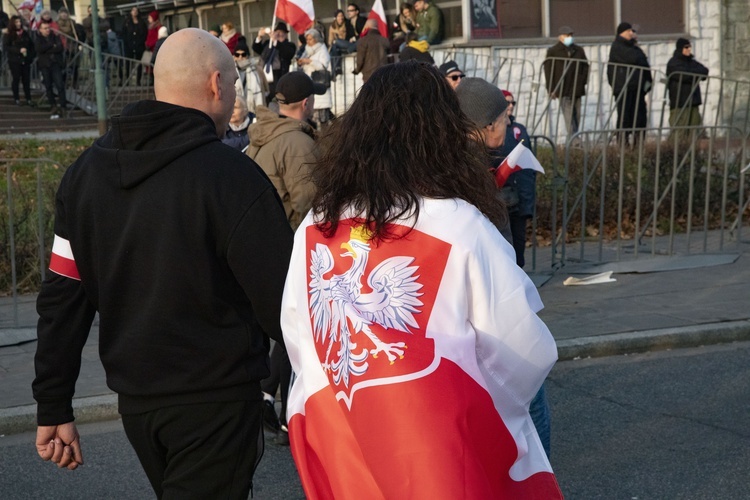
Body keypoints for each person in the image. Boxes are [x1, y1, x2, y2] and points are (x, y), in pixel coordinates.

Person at [32, 28, 294, 499]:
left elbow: (62, 298)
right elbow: (285, 304)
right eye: (234, 82)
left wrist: (54, 404)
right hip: (218, 397)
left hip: (137, 405)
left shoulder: (83, 176)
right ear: (216, 84)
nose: (234, 94)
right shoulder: (232, 178)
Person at [281, 60, 560, 499]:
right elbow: (522, 347)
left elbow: (301, 335)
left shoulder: (316, 227)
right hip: (437, 445)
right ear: (441, 132)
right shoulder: (460, 224)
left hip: (346, 434)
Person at [607, 22, 652, 146]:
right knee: (625, 117)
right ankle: (623, 144)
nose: (632, 34)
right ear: (622, 32)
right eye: (629, 31)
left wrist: (647, 85)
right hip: (624, 88)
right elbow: (635, 59)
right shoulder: (617, 46)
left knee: (640, 117)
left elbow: (644, 63)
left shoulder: (634, 47)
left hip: (638, 88)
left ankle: (638, 144)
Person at [544, 25, 589, 137]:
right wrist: (551, 88)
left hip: (577, 89)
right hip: (563, 89)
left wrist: (582, 81)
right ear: (560, 37)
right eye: (566, 35)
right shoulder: (553, 51)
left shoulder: (578, 50)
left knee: (577, 116)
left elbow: (585, 66)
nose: (569, 37)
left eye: (570, 35)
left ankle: (574, 140)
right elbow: (549, 71)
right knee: (569, 118)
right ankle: (575, 140)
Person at [666, 38, 709, 139]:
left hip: (693, 102)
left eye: (690, 47)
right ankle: (675, 153)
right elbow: (683, 75)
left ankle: (692, 154)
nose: (689, 49)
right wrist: (695, 75)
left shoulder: (691, 62)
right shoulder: (673, 62)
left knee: (694, 132)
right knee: (679, 133)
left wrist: (692, 74)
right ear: (680, 48)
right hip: (680, 103)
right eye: (686, 47)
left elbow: (704, 71)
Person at [252, 22, 296, 104]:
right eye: (277, 32)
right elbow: (256, 48)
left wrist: (276, 41)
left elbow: (287, 54)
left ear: (285, 34)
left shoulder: (289, 45)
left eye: (281, 33)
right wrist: (259, 36)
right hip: (264, 75)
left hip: (278, 76)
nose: (278, 34)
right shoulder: (268, 44)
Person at [297, 28, 333, 127]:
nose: (308, 41)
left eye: (311, 39)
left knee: (323, 118)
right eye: (307, 39)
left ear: (316, 39)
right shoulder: (307, 50)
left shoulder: (322, 49)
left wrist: (310, 62)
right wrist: (301, 62)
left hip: (319, 82)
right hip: (309, 83)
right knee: (311, 118)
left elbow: (323, 66)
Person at [34, 20, 67, 119]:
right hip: (45, 64)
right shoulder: (38, 39)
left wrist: (48, 49)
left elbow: (60, 48)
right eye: (45, 28)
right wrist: (51, 45)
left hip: (55, 63)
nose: (47, 30)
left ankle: (63, 106)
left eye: (48, 28)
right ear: (40, 30)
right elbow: (39, 49)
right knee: (48, 86)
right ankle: (53, 105)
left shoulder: (55, 37)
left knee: (60, 85)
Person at [3, 15, 34, 106]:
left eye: (19, 22)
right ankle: (16, 98)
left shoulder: (24, 33)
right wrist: (18, 50)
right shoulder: (9, 34)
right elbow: (6, 47)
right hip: (14, 60)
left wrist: (30, 56)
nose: (19, 24)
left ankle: (28, 98)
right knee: (16, 79)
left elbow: (31, 45)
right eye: (16, 22)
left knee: (26, 80)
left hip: (25, 60)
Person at [329, 3, 367, 73]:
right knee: (336, 43)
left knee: (361, 40)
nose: (349, 12)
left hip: (360, 42)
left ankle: (336, 68)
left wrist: (355, 38)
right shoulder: (348, 23)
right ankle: (336, 69)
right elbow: (347, 38)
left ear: (357, 12)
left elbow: (365, 34)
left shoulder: (362, 20)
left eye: (351, 10)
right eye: (348, 11)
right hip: (351, 44)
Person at [121, 6, 147, 85]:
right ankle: (128, 80)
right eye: (133, 10)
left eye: (136, 10)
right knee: (129, 63)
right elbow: (124, 34)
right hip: (129, 46)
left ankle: (138, 81)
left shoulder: (142, 22)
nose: (135, 12)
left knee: (139, 63)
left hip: (139, 45)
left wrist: (140, 42)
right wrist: (128, 43)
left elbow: (145, 33)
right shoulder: (127, 22)